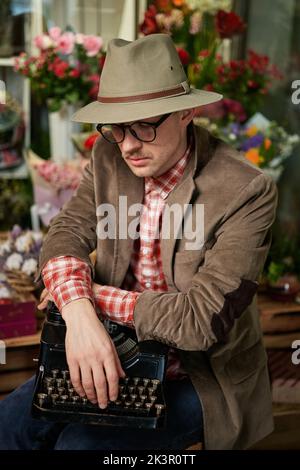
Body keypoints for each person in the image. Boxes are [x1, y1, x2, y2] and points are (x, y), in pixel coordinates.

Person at [0, 33, 277, 450]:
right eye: (115, 128)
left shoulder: (247, 190)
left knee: (79, 445)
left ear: (187, 112)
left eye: (145, 125)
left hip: (199, 376)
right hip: (113, 350)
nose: (127, 144)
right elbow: (66, 231)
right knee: (10, 424)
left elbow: (199, 320)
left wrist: (88, 297)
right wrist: (79, 315)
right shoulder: (107, 156)